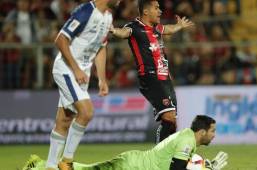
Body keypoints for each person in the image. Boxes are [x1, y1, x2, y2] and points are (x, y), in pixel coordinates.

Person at [46, 0, 121, 170]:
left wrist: (102, 78)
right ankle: (67, 161)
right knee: (86, 112)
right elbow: (61, 39)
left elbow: (101, 47)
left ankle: (50, 166)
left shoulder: (108, 16)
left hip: (81, 74)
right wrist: (76, 68)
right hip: (66, 69)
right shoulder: (86, 11)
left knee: (64, 120)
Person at [110, 0, 194, 143]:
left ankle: (167, 155)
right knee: (169, 116)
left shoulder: (157, 28)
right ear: (145, 11)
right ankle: (158, 155)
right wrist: (113, 30)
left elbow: (167, 29)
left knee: (172, 121)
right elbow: (123, 32)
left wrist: (179, 26)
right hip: (150, 77)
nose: (160, 11)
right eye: (156, 8)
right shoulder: (134, 27)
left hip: (165, 78)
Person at [23, 115, 228, 170]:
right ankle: (38, 166)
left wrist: (204, 166)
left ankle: (42, 165)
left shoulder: (188, 139)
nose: (214, 135)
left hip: (134, 162)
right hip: (132, 166)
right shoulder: (186, 141)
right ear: (202, 132)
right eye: (213, 131)